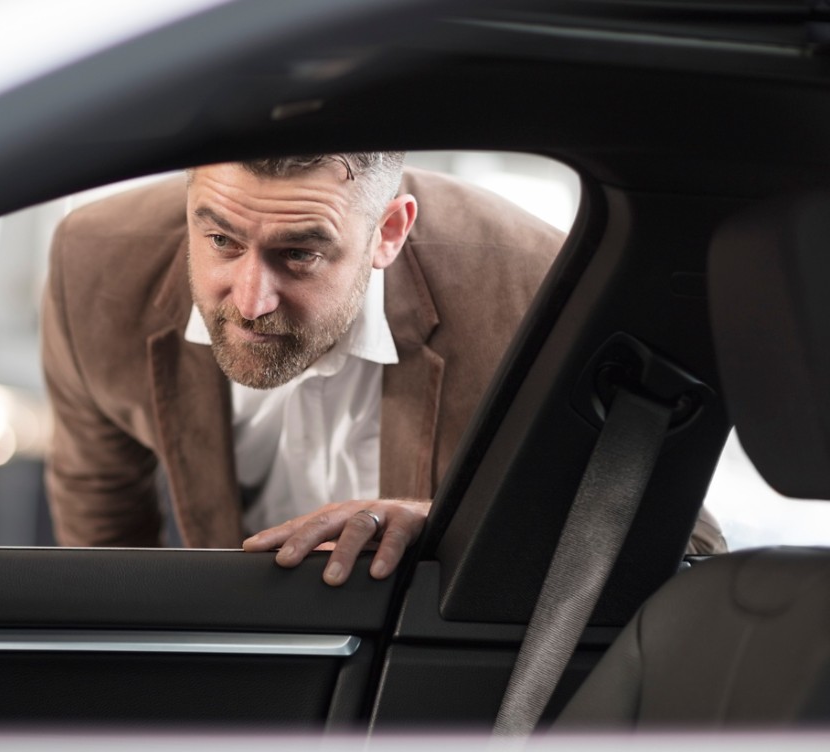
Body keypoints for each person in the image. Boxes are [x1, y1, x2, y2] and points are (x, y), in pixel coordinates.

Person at [41, 153, 720, 585]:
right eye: (220, 240)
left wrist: (455, 522)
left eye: (300, 255)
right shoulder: (95, 268)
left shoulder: (534, 293)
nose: (249, 302)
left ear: (389, 232)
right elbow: (102, 520)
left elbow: (690, 545)